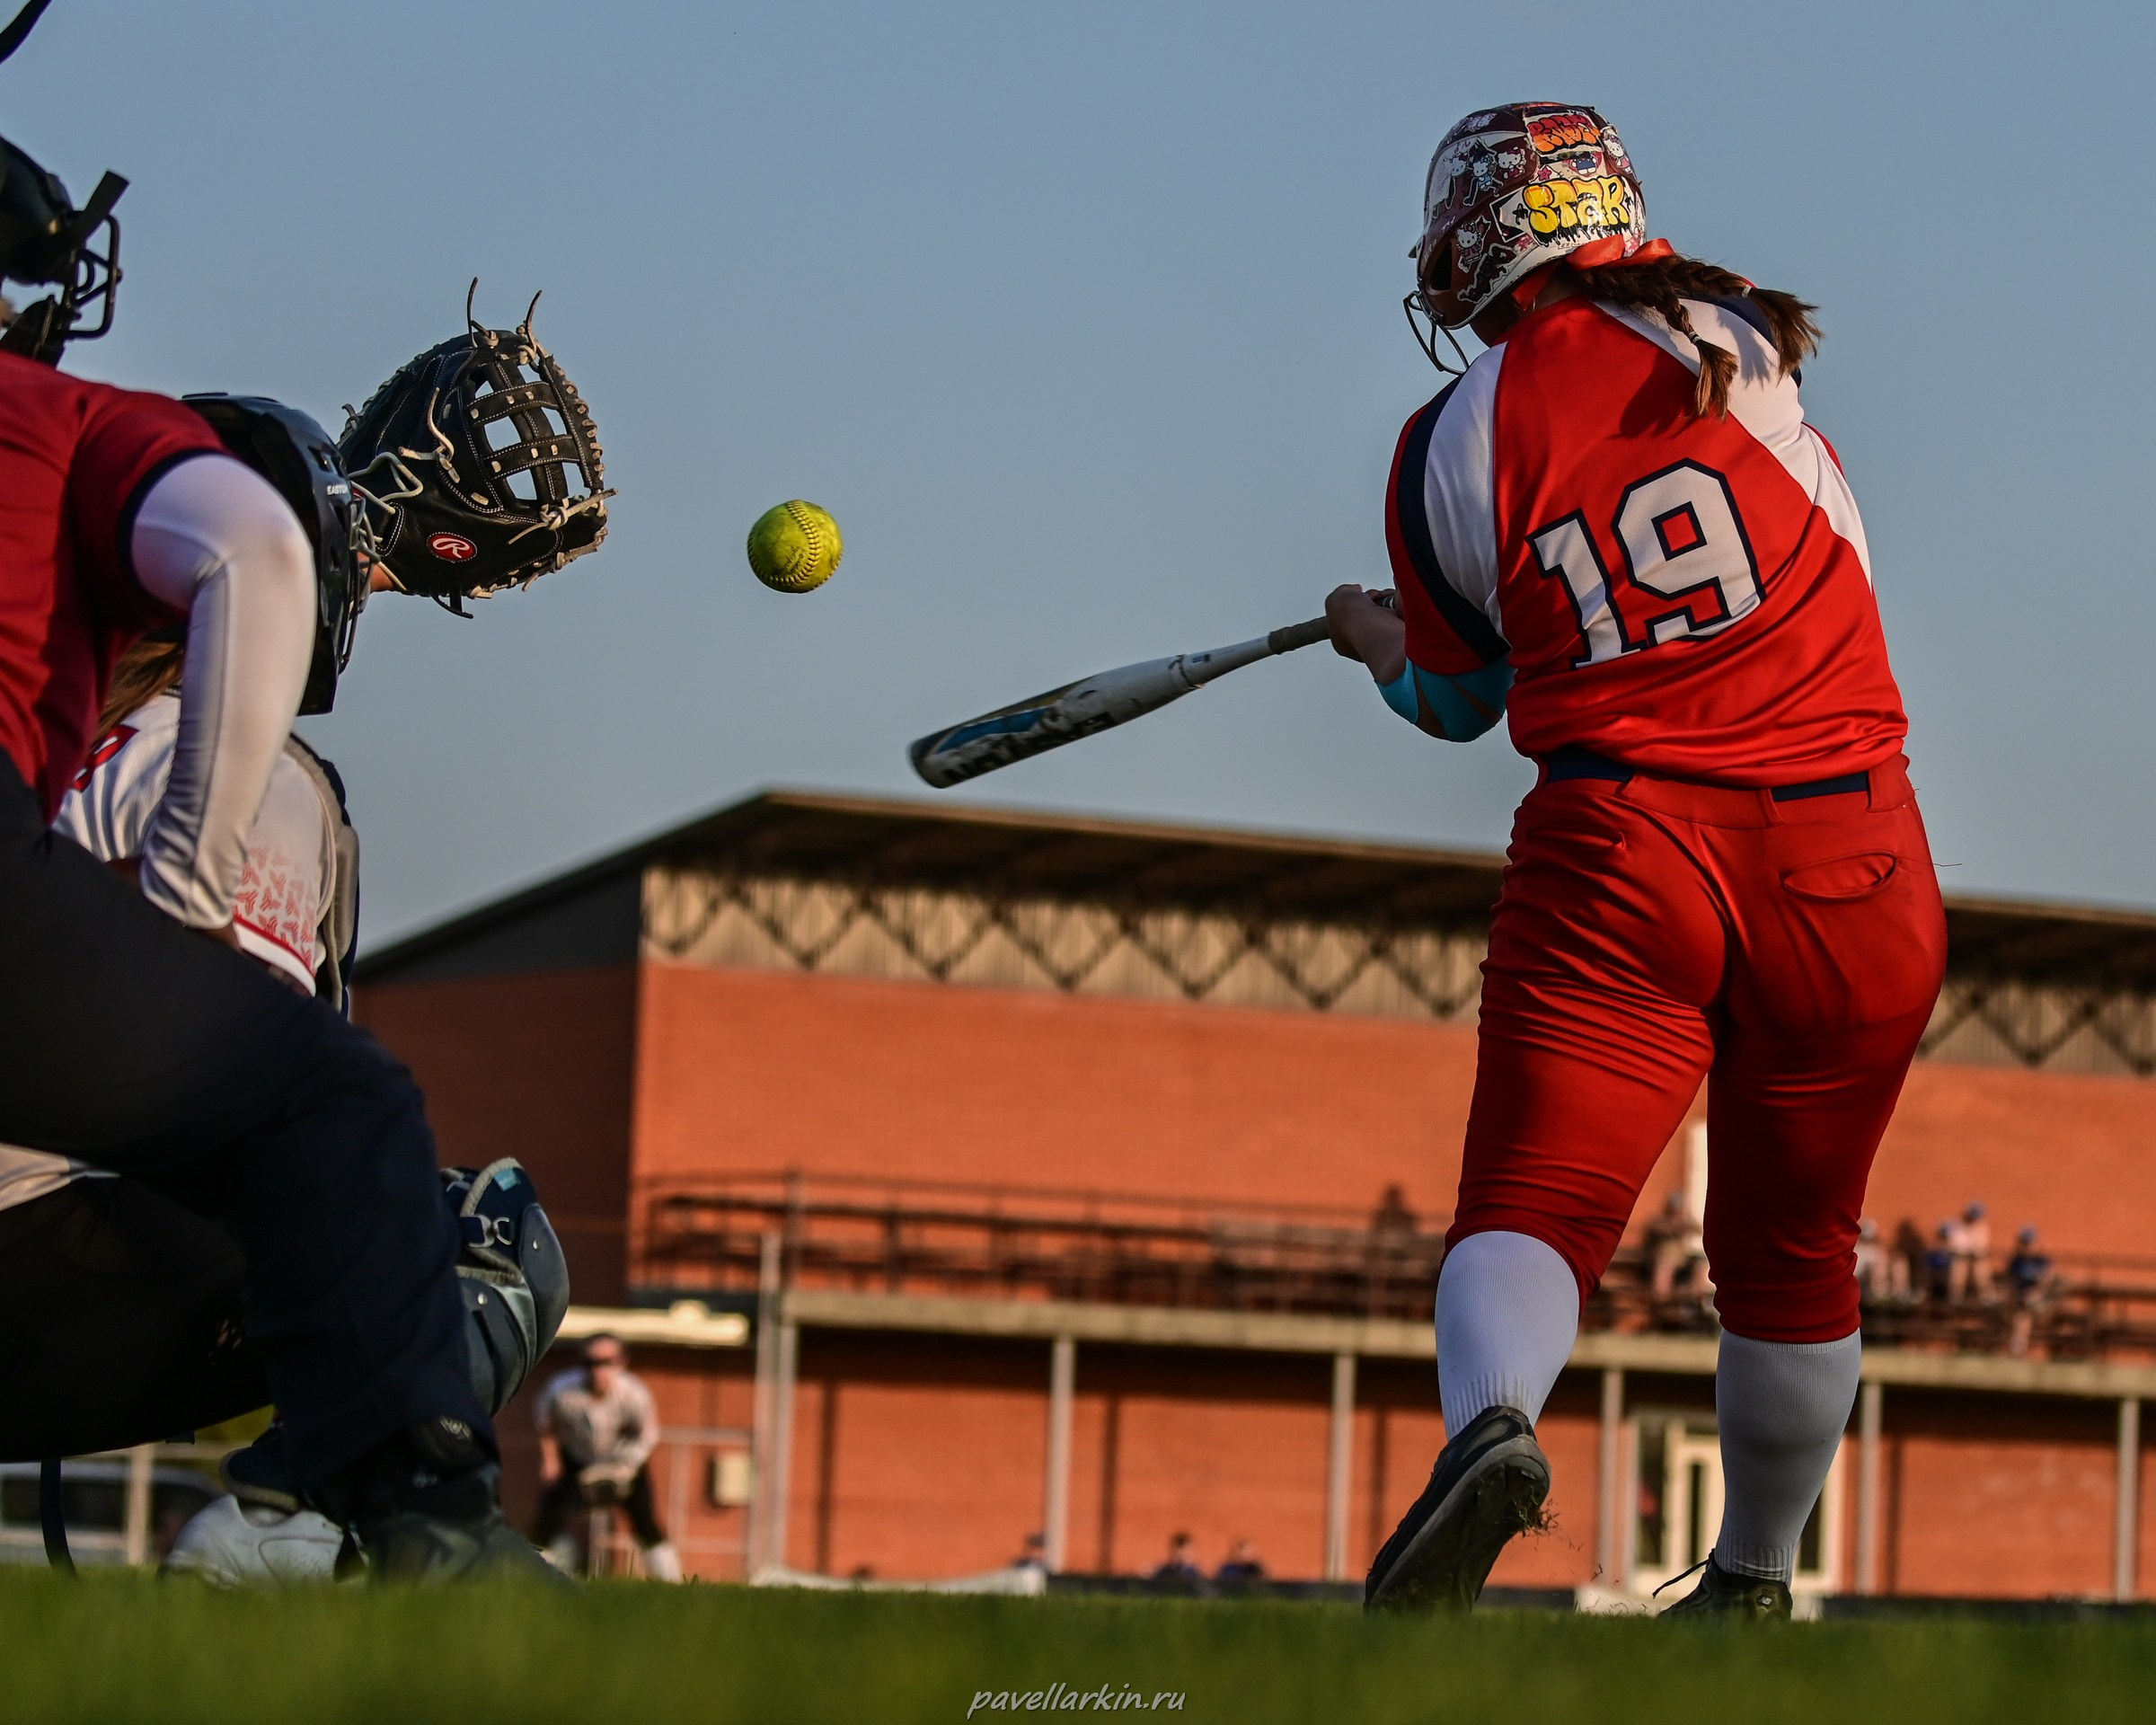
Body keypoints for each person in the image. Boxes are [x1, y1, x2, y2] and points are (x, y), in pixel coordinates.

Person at [1337, 102, 1947, 1622]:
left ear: (1485, 245)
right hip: (1851, 850)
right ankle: (1751, 1580)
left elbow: (1459, 700)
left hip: (1625, 847)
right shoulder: (1738, 334)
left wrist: (1381, 648)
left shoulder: (1446, 441)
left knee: (1535, 1202)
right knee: (1793, 1250)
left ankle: (1494, 1425)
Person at [0, 19, 596, 1571]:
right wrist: (181, 913)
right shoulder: (248, 759)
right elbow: (252, 554)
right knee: (410, 1189)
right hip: (37, 1265)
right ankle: (309, 1522)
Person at [533, 1336, 683, 1581]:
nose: (597, 1370)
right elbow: (545, 1426)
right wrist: (551, 1461)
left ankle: (672, 1582)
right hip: (577, 1458)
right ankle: (541, 1575)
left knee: (645, 1520)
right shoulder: (561, 1389)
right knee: (548, 1517)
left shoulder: (634, 1393)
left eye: (606, 1362)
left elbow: (647, 1435)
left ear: (622, 1362)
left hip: (622, 1461)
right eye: (590, 1362)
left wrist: (626, 1467)